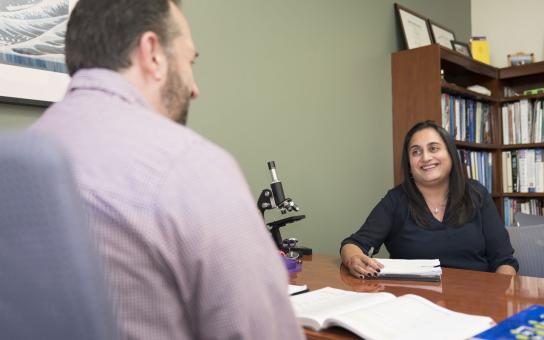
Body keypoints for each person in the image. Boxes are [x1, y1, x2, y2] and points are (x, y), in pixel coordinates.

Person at [30, 1, 304, 339]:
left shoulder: (21, 159)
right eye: (189, 61)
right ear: (153, 53)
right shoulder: (190, 166)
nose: (194, 88)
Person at [340, 120, 518, 279]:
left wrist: (497, 300)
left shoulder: (476, 194)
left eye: (434, 148)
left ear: (450, 154)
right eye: (416, 152)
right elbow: (353, 244)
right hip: (413, 304)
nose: (426, 157)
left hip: (475, 302)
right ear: (409, 163)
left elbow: (504, 262)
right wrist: (353, 258)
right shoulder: (396, 200)